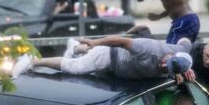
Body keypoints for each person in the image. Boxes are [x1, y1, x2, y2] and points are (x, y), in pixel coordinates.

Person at [12, 36, 193, 81]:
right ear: (168, 55)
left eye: (166, 68)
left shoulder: (179, 51)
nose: (162, 66)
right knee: (75, 68)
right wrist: (96, 42)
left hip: (118, 70)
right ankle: (33, 62)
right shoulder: (149, 49)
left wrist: (183, 69)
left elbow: (186, 41)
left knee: (85, 54)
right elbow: (121, 41)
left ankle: (75, 46)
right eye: (165, 62)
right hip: (109, 56)